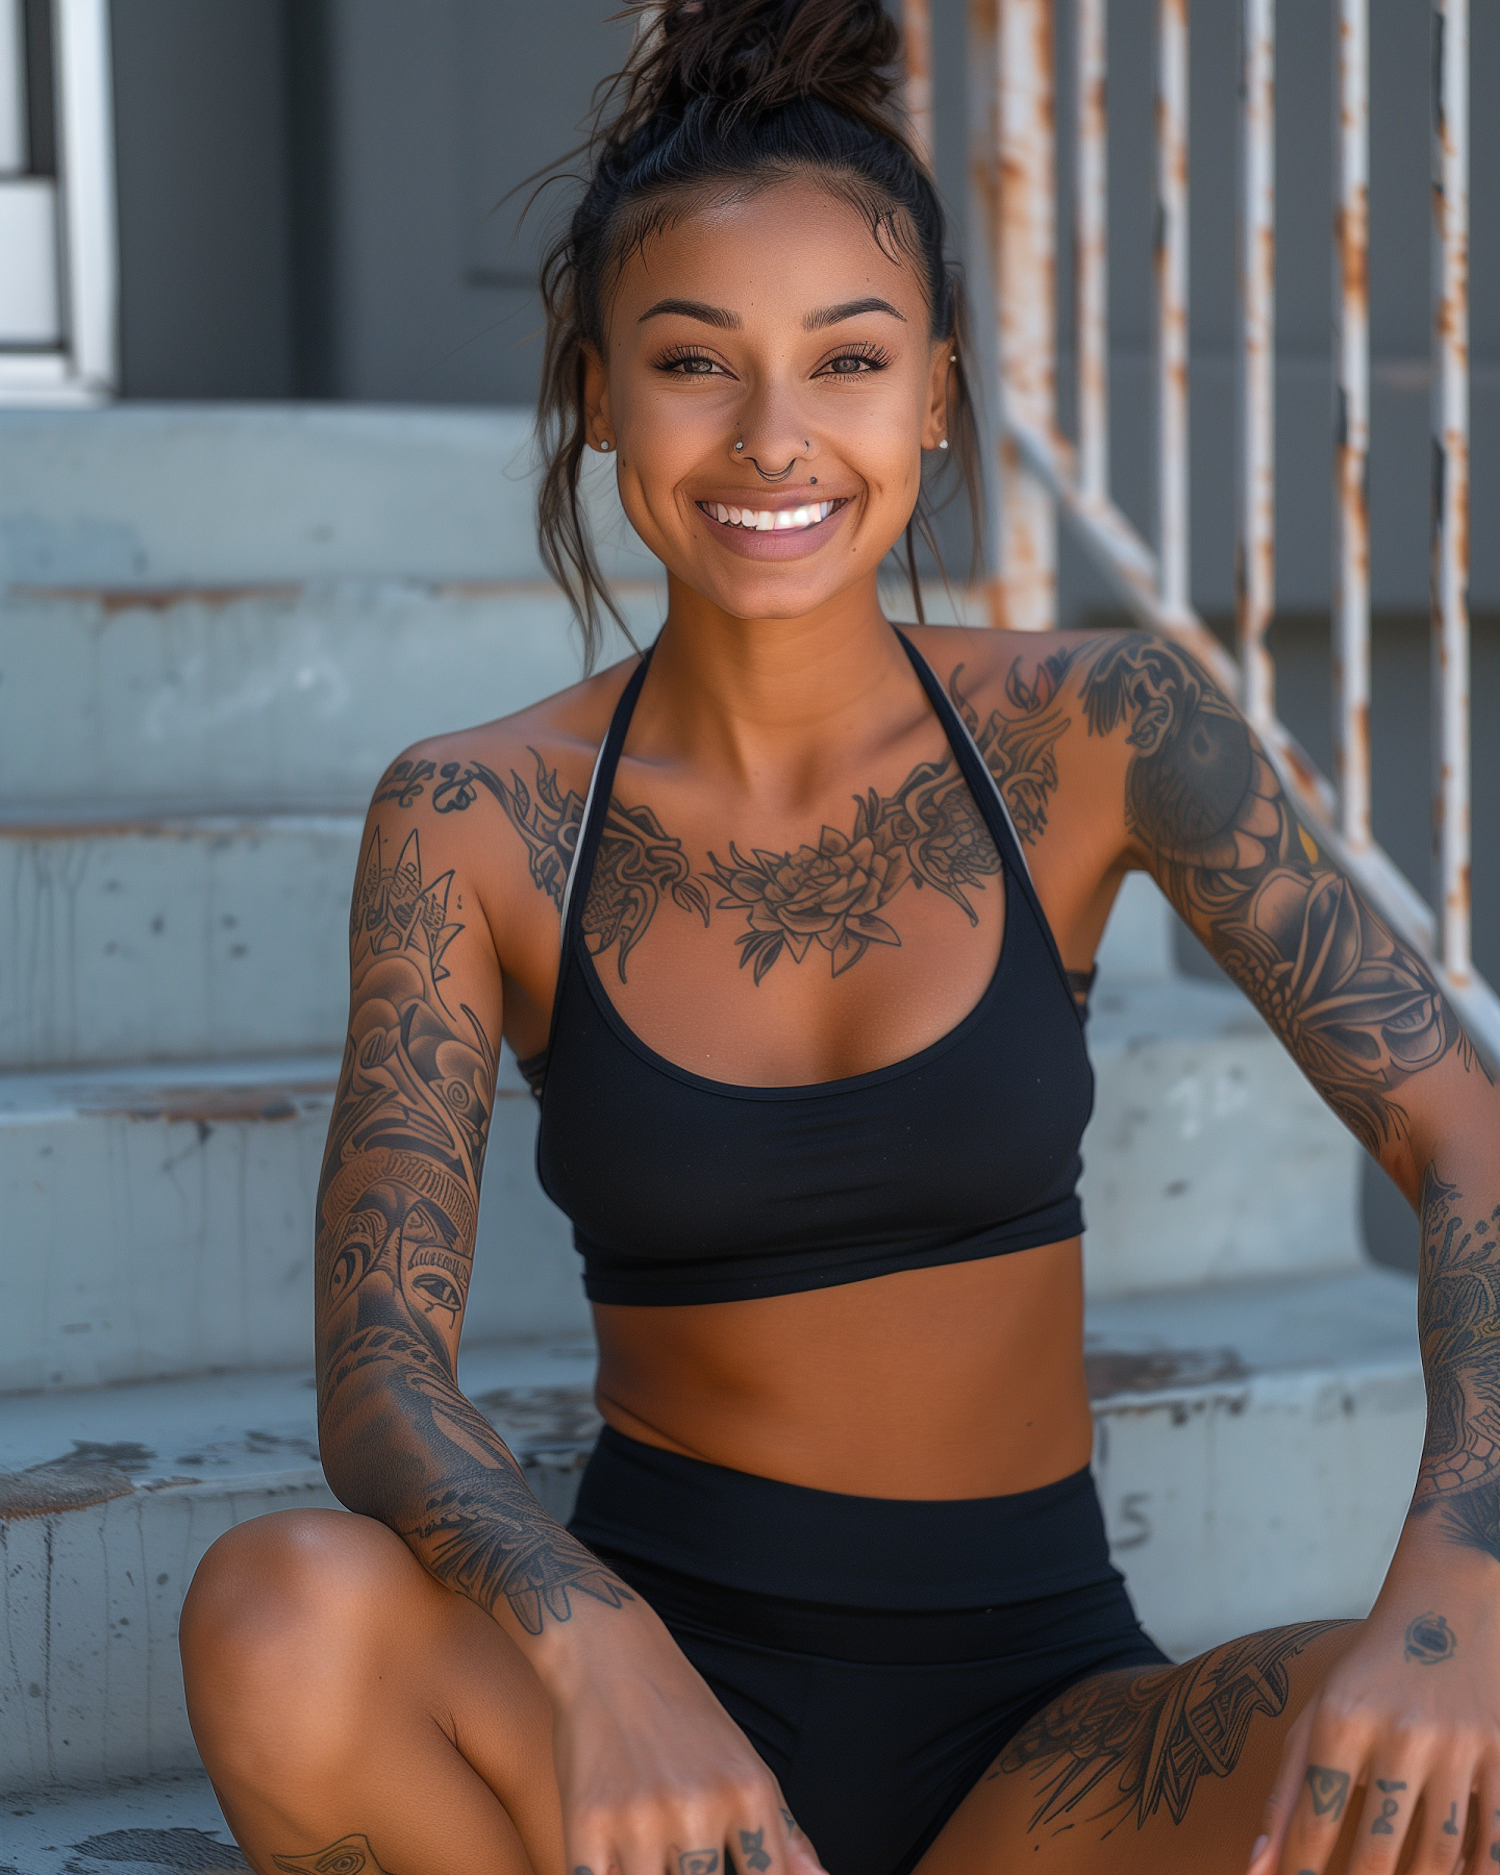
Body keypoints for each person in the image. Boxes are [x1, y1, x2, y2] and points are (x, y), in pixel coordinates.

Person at [179, 4, 1500, 1872]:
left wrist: (1459, 1583)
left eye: (849, 360)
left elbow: (1469, 1134)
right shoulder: (472, 818)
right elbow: (384, 1372)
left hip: (1040, 1739)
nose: (775, 439)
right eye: (696, 362)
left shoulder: (1103, 730)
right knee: (277, 1611)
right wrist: (600, 1653)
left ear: (939, 391)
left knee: (1470, 1759)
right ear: (597, 392)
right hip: (651, 1722)